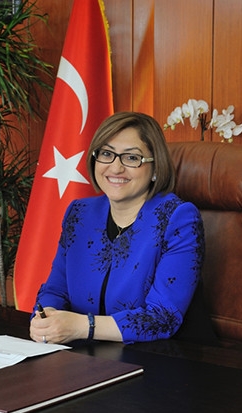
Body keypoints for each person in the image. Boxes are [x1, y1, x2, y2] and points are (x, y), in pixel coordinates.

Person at [29, 112, 211, 345]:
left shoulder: (178, 218)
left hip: (164, 355)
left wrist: (81, 326)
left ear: (156, 167)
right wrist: (46, 318)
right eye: (106, 154)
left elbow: (162, 318)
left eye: (132, 158)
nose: (115, 168)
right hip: (88, 353)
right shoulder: (80, 213)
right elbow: (55, 290)